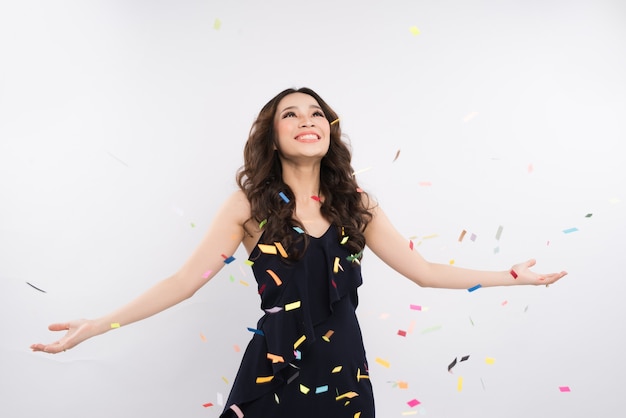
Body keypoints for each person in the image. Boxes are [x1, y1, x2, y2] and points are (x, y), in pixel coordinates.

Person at [31, 87, 568, 418]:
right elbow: (182, 282)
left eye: (317, 113)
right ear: (272, 134)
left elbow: (423, 272)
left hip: (342, 374)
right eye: (292, 114)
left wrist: (508, 275)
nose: (308, 120)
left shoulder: (357, 203)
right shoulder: (246, 206)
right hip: (272, 372)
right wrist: (98, 325)